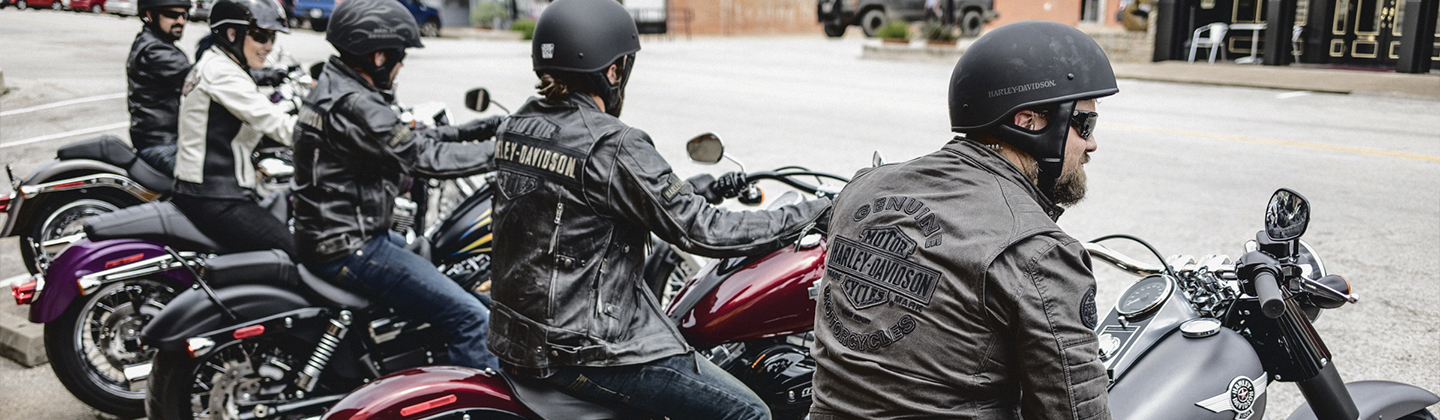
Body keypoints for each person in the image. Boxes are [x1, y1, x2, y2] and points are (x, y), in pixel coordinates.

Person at [485, 0, 830, 418]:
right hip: (586, 350)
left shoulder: (516, 125)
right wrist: (814, 212)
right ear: (613, 71)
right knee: (750, 413)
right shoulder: (612, 144)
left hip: (519, 340)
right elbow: (704, 231)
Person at [809, 20, 1117, 420]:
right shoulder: (1039, 253)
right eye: (1084, 124)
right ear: (1029, 122)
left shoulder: (863, 190)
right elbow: (1074, 412)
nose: (1092, 143)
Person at [290, 0, 502, 370]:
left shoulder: (336, 85)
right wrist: (510, 150)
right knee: (471, 318)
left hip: (337, 235)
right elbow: (425, 157)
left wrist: (478, 129)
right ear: (378, 56)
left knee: (451, 278)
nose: (402, 64)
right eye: (400, 54)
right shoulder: (355, 102)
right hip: (350, 246)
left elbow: (402, 137)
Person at [172, 0, 298, 258]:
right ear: (232, 34)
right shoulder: (221, 73)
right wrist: (338, 136)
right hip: (216, 197)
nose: (269, 46)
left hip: (215, 190)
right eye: (261, 36)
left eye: (272, 37)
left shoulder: (221, 64)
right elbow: (278, 124)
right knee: (292, 255)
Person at [127, 0, 193, 175]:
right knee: (216, 180)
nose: (181, 21)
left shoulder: (153, 43)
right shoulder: (154, 51)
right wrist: (270, 75)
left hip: (162, 139)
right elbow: (199, 76)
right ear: (149, 15)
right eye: (172, 14)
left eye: (184, 15)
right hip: (161, 144)